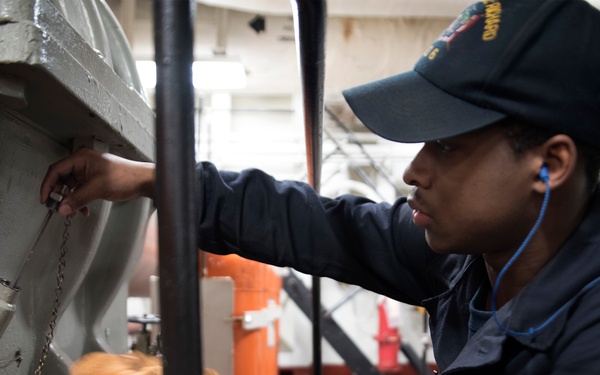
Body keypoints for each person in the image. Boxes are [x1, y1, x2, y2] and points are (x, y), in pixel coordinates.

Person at [40, 0, 600, 373]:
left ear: (550, 164)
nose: (414, 172)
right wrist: (155, 180)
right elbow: (319, 224)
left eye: (448, 146)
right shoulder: (471, 260)